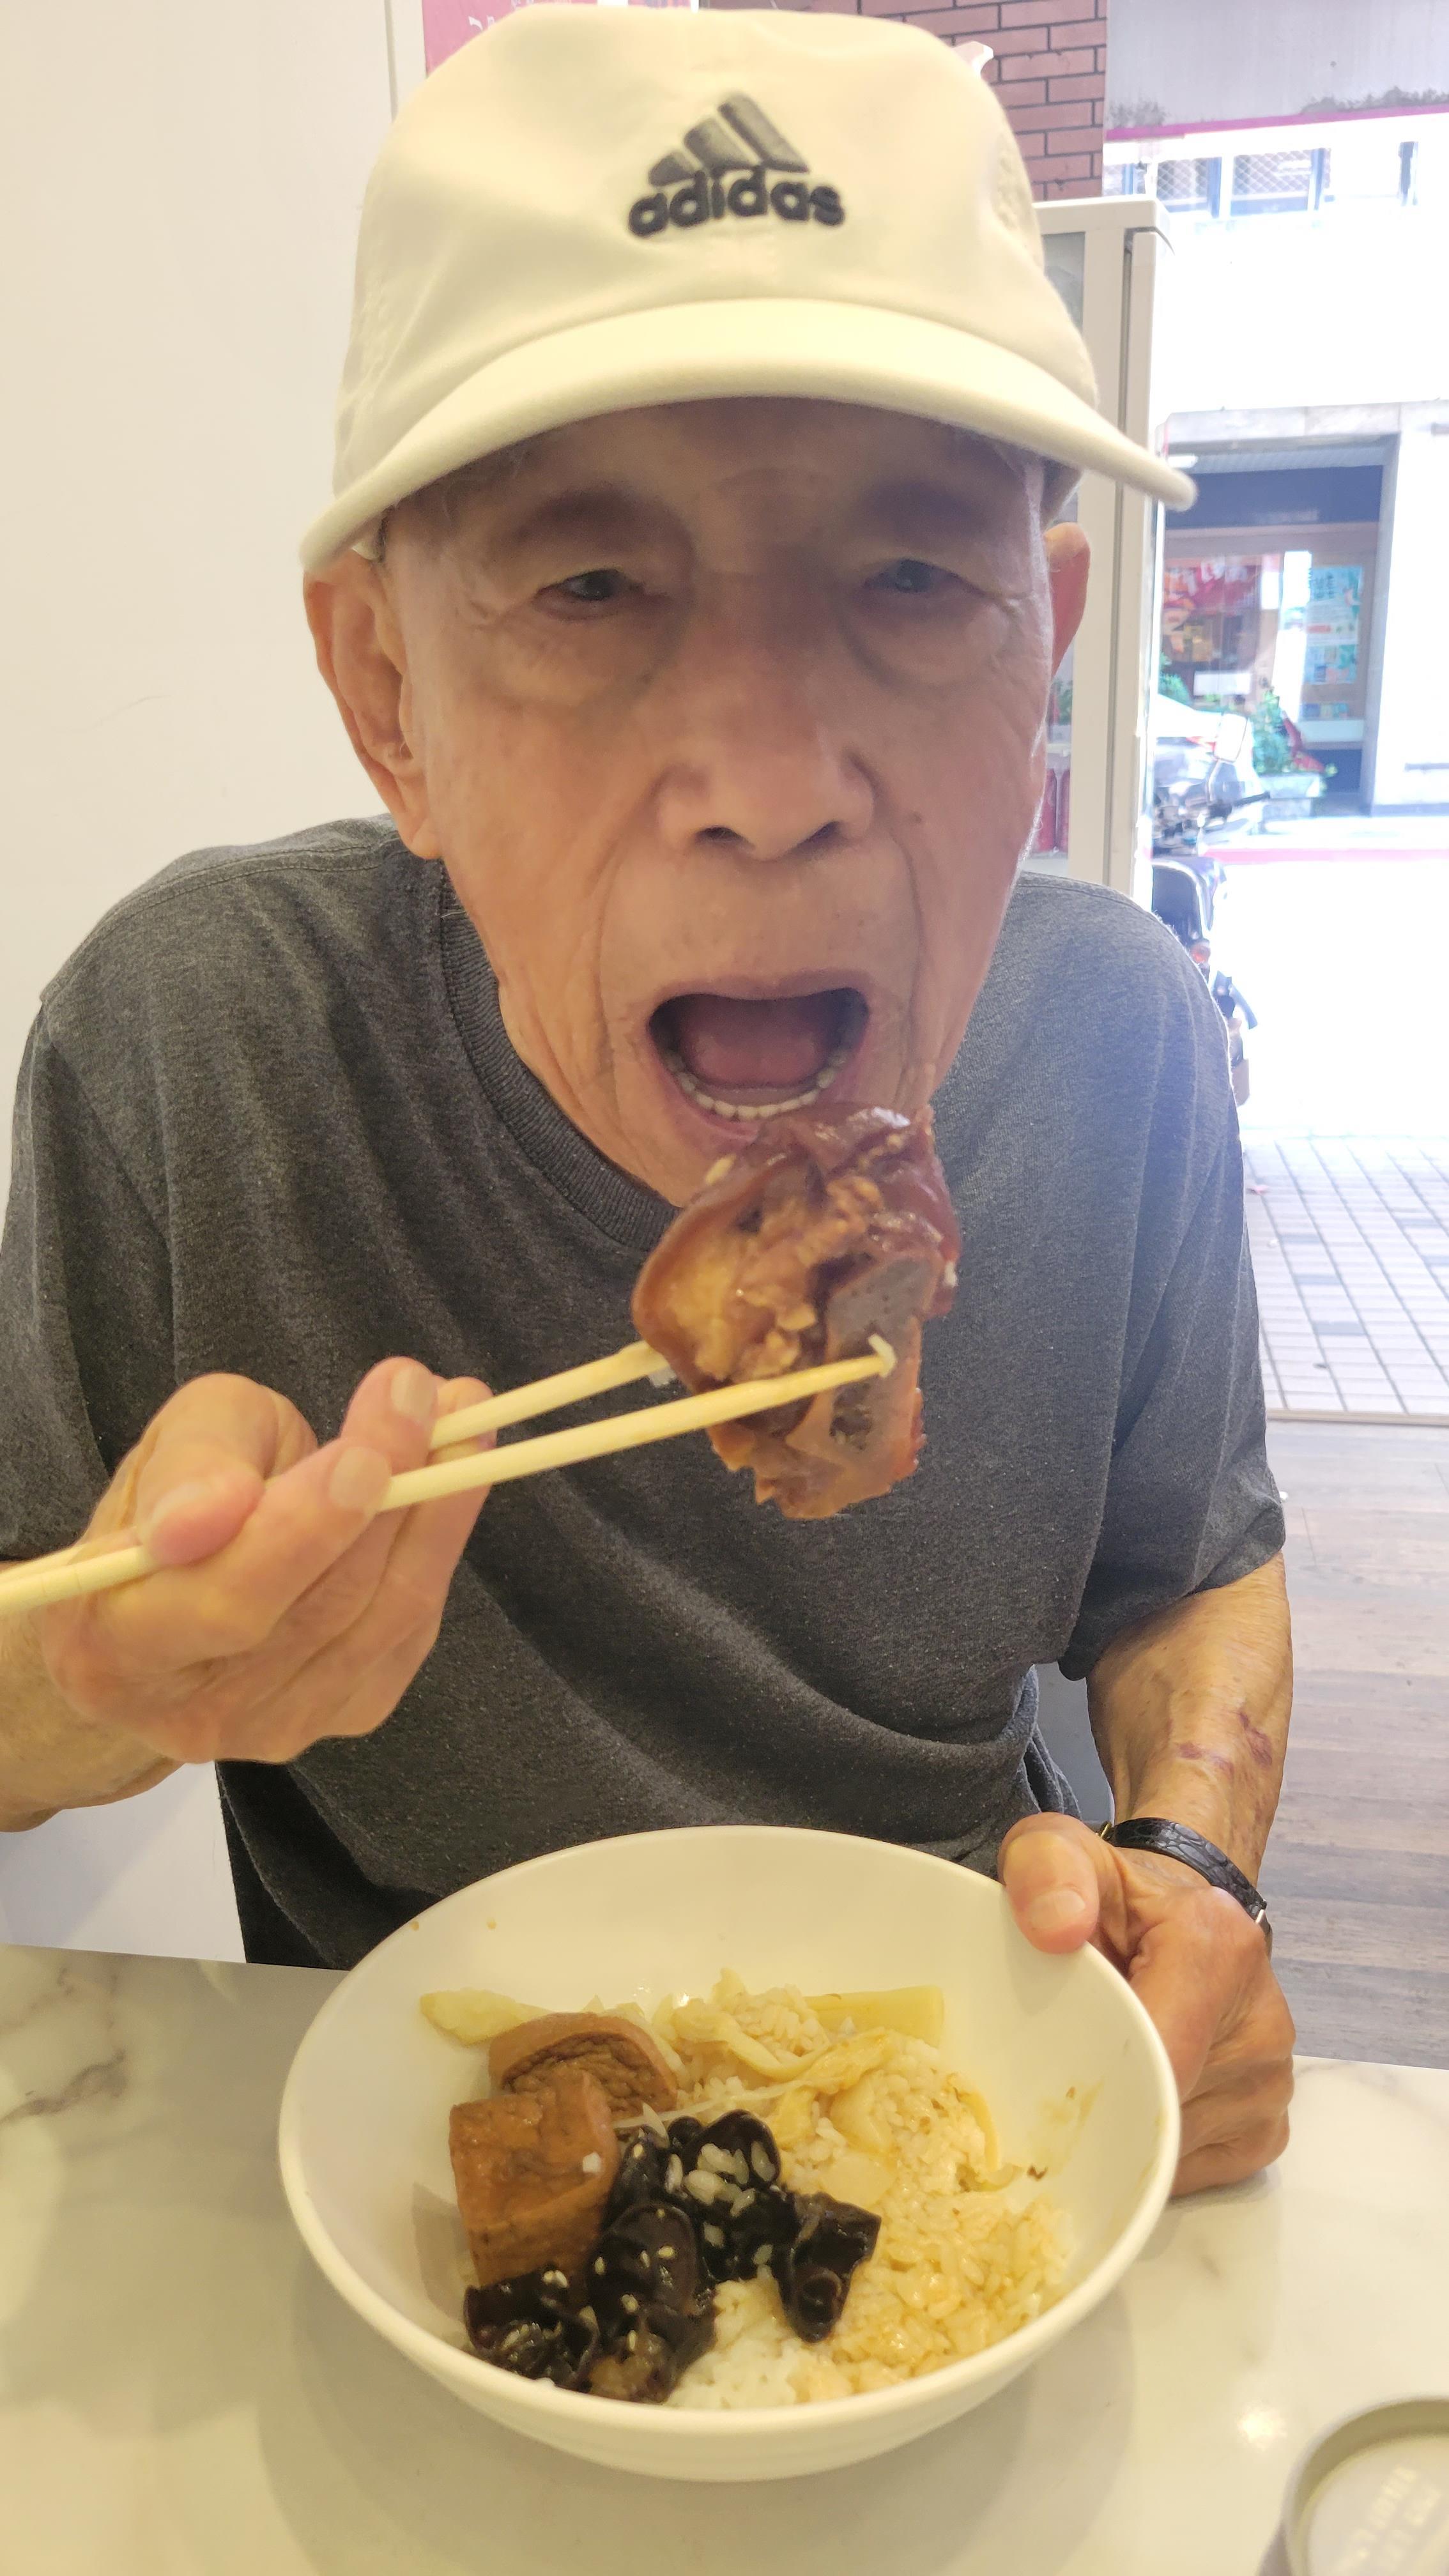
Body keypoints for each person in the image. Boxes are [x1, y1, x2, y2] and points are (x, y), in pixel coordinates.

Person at [0, 8, 1292, 2195]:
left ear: (1045, 643)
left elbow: (1192, 1571)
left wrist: (1188, 1865)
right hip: (419, 2172)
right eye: (592, 586)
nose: (774, 788)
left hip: (958, 2110)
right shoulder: (190, 1048)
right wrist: (129, 1682)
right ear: (385, 694)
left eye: (910, 580)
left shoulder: (1123, 1034)